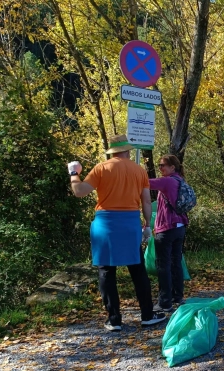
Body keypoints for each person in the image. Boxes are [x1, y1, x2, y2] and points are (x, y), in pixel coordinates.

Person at [68, 134, 166, 332]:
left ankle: (114, 319)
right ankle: (147, 315)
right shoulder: (139, 171)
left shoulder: (102, 168)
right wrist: (147, 224)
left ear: (111, 151)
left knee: (106, 271)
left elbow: (79, 191)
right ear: (127, 151)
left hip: (105, 225)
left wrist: (74, 172)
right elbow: (146, 201)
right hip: (129, 224)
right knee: (138, 270)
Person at [149, 155, 190, 312]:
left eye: (163, 165)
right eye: (159, 165)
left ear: (173, 167)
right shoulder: (180, 180)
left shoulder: (167, 181)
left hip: (167, 227)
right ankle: (177, 297)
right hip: (180, 226)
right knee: (175, 262)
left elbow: (144, 183)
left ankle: (164, 302)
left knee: (163, 265)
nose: (160, 168)